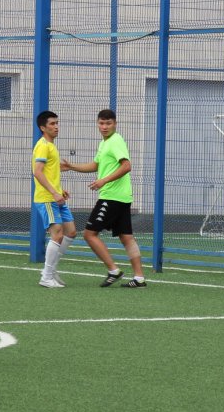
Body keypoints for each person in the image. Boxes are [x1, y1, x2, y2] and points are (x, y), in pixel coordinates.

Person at [61, 108, 146, 287]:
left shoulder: (116, 141)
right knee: (126, 237)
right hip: (122, 197)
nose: (105, 127)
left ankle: (113, 270)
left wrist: (104, 180)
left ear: (115, 124)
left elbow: (126, 166)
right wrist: (72, 167)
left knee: (89, 234)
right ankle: (139, 278)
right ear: (97, 124)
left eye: (108, 123)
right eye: (101, 123)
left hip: (112, 197)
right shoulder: (104, 143)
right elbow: (96, 165)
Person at [33, 111, 76, 288]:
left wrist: (59, 190)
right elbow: (37, 172)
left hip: (56, 197)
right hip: (47, 199)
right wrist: (54, 192)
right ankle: (46, 277)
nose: (56, 126)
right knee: (57, 234)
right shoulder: (43, 146)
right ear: (43, 127)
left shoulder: (51, 145)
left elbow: (49, 170)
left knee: (71, 232)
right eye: (52, 124)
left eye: (57, 123)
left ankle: (50, 270)